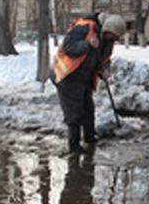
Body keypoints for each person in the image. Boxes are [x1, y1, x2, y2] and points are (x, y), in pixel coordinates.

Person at [51, 12, 126, 155]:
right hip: (66, 75)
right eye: (112, 37)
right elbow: (69, 47)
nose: (113, 40)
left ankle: (90, 138)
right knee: (74, 113)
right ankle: (74, 148)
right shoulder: (84, 27)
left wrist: (104, 70)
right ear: (107, 29)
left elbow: (104, 58)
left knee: (88, 108)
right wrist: (87, 44)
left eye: (115, 39)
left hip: (82, 77)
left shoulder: (107, 40)